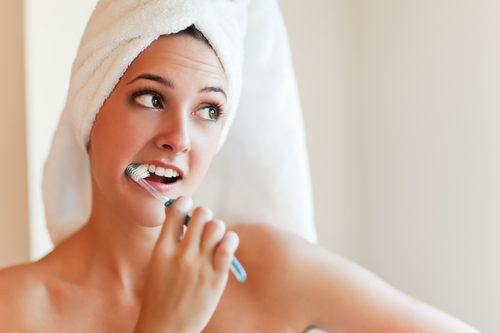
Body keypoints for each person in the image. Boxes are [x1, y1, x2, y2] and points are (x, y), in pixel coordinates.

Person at [0, 1, 479, 332]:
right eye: (150, 98)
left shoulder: (271, 273)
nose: (179, 139)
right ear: (92, 106)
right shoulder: (13, 311)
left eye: (208, 110)